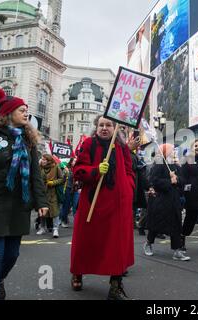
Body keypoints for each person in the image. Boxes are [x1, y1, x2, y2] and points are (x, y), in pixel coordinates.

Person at [0, 87, 48, 300]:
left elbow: (35, 175)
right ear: (9, 112)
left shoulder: (28, 140)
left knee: (11, 255)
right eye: (22, 110)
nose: (26, 113)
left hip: (17, 207)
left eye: (27, 110)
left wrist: (42, 201)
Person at [70, 116, 135, 300]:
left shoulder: (122, 147)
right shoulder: (89, 143)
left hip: (118, 206)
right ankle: (77, 272)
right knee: (86, 242)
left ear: (115, 129)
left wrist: (128, 188)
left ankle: (116, 285)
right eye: (101, 125)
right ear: (96, 127)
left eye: (108, 125)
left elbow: (130, 171)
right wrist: (96, 169)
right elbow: (78, 171)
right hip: (94, 203)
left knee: (117, 246)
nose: (104, 128)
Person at [144, 144, 190, 261]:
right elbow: (154, 181)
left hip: (174, 200)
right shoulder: (159, 165)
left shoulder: (175, 165)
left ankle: (177, 250)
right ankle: (149, 243)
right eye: (171, 150)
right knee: (156, 224)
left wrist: (177, 179)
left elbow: (183, 180)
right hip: (160, 200)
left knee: (176, 225)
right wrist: (170, 181)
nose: (174, 152)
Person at [38, 154, 64, 238]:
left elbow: (62, 179)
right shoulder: (40, 167)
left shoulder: (55, 167)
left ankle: (55, 229)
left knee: (55, 211)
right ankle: (42, 228)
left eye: (44, 159)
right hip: (42, 193)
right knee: (42, 211)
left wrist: (53, 182)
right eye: (42, 159)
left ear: (49, 160)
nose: (43, 161)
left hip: (53, 193)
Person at [59, 158, 76, 228]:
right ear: (71, 162)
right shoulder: (67, 169)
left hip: (75, 189)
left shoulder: (76, 168)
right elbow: (61, 178)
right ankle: (63, 220)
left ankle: (62, 218)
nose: (75, 161)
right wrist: (65, 172)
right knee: (66, 205)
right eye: (74, 161)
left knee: (74, 205)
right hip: (67, 189)